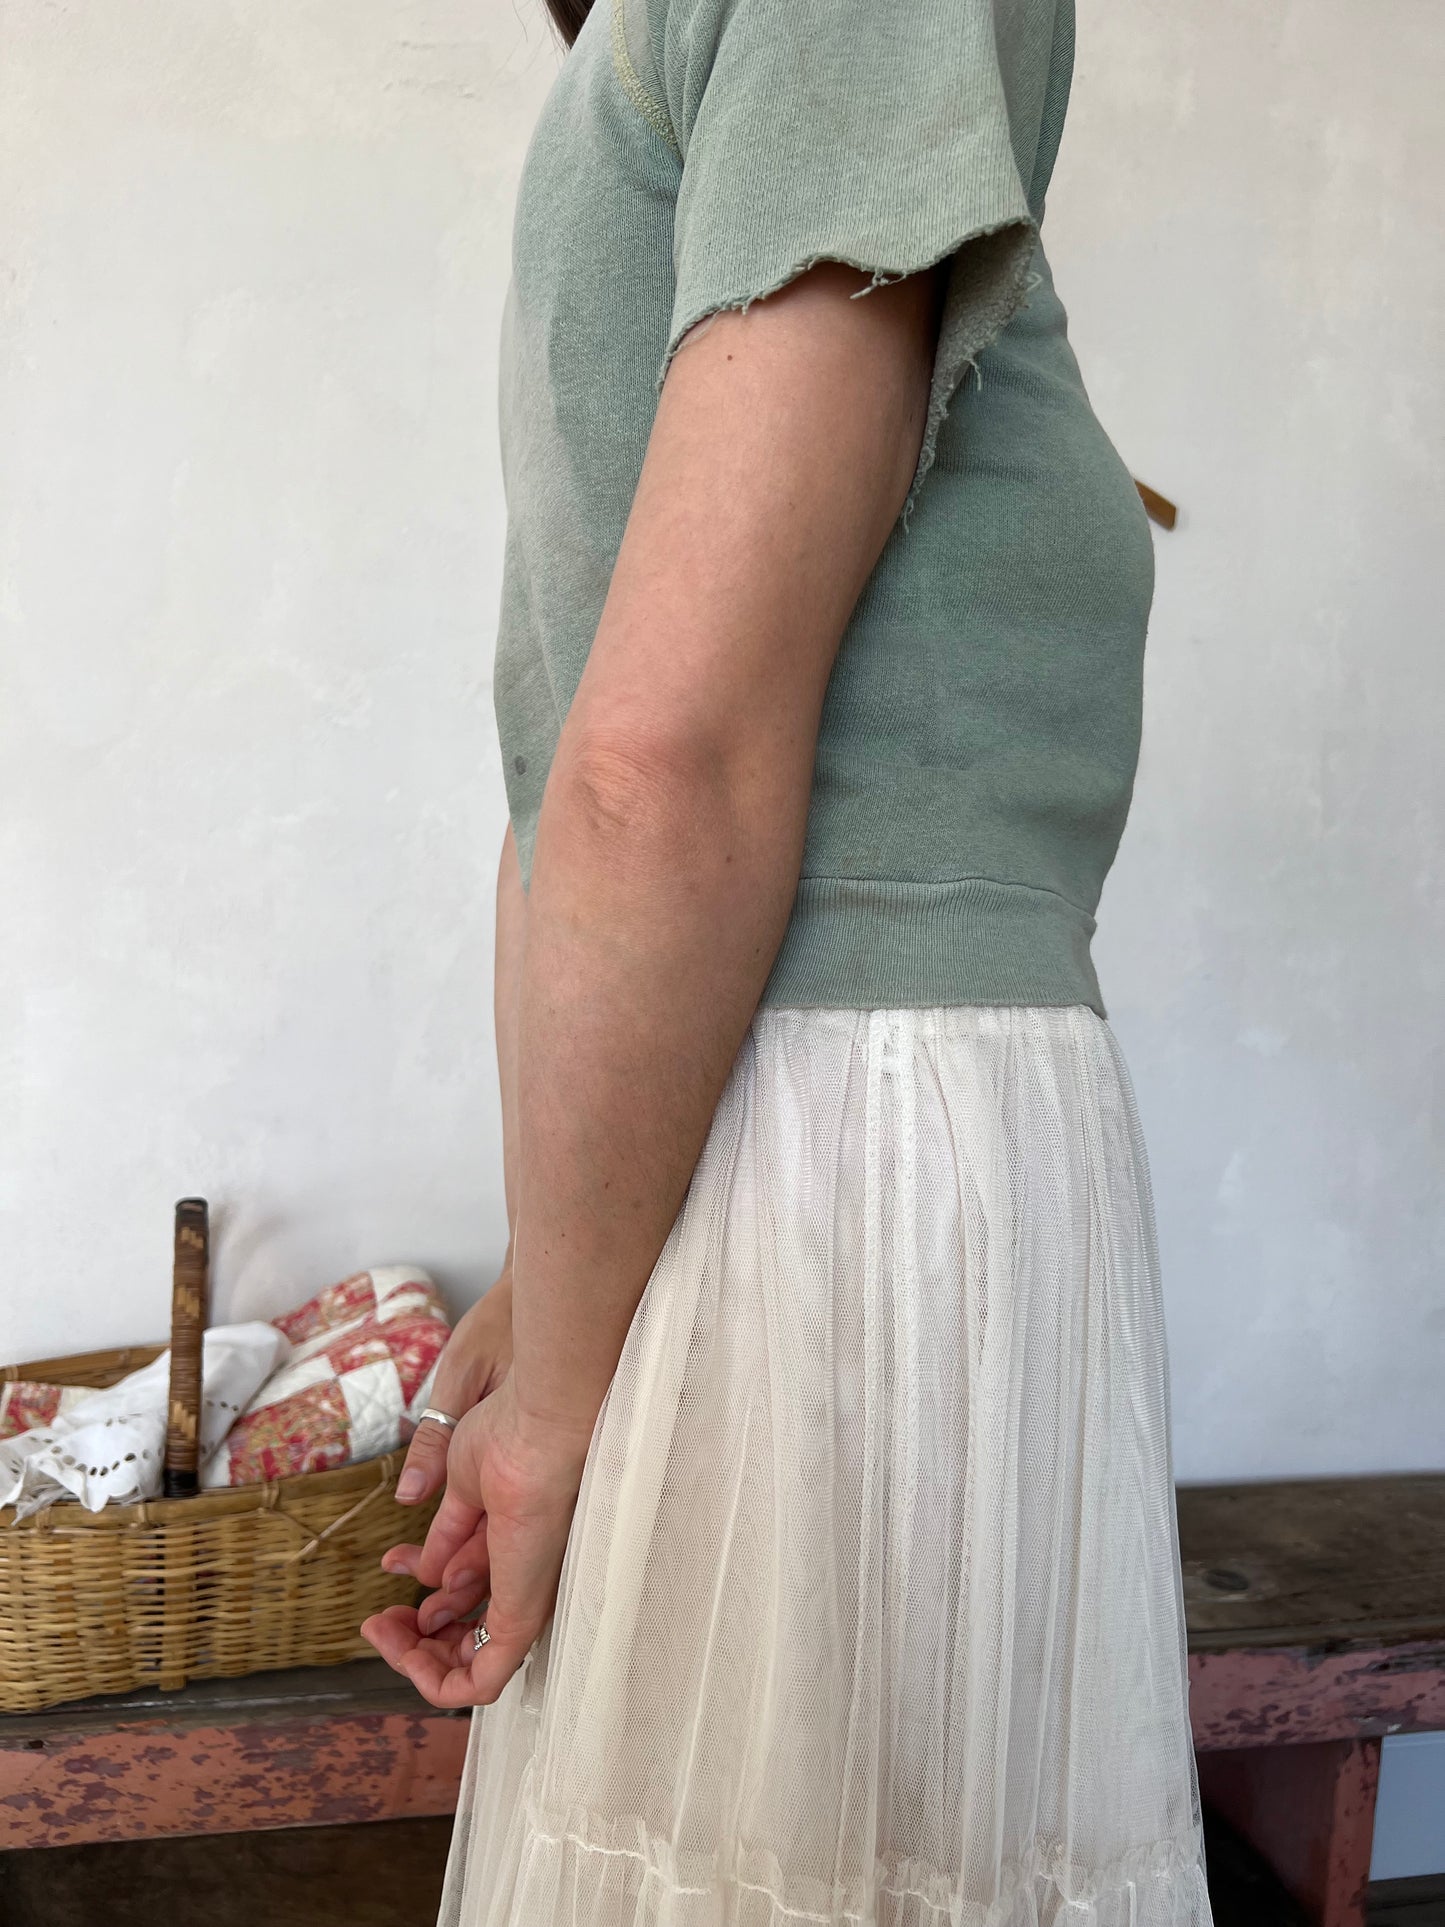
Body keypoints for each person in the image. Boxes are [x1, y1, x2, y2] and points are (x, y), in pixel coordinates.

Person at [363, 0, 1214, 1920]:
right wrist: (556, 1393)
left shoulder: (643, 76)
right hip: (866, 1167)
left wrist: (557, 1291)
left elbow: (569, 786)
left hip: (747, 1162)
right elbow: (640, 778)